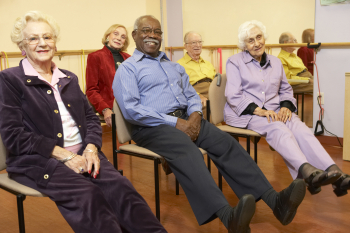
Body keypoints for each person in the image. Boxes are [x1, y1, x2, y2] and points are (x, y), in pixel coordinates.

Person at [113, 15, 307, 233]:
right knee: (189, 152)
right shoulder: (128, 69)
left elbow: (191, 95)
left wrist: (196, 114)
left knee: (226, 143)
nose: (152, 35)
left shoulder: (172, 66)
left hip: (188, 120)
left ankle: (276, 203)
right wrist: (176, 122)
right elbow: (131, 110)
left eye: (157, 32)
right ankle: (227, 217)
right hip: (152, 127)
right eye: (146, 30)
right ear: (135, 35)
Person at [0, 11, 166, 233]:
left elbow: (90, 117)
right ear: (22, 45)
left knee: (121, 187)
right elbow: (13, 135)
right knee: (88, 195)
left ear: (55, 43)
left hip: (83, 153)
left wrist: (90, 147)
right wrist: (65, 155)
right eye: (33, 38)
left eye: (48, 37)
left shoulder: (68, 78)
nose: (42, 43)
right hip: (37, 161)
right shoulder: (10, 79)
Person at [224, 20, 350, 197]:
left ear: (264, 38)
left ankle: (335, 175)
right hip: (247, 113)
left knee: (302, 130)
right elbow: (233, 95)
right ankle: (308, 173)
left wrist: (285, 106)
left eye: (259, 37)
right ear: (244, 45)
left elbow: (285, 90)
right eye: (250, 40)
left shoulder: (276, 63)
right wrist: (259, 110)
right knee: (279, 129)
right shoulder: (234, 62)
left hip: (274, 111)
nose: (256, 43)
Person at [86, 24, 131, 127]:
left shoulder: (129, 58)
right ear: (107, 36)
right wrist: (105, 109)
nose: (119, 38)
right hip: (110, 106)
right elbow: (91, 90)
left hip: (130, 105)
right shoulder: (95, 57)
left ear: (125, 42)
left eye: (123, 37)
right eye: (116, 34)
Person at [177, 31, 216, 118]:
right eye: (193, 42)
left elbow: (216, 82)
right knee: (205, 105)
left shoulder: (208, 64)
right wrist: (198, 95)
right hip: (194, 93)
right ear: (185, 46)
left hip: (213, 91)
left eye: (199, 42)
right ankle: (209, 130)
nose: (198, 45)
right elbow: (180, 87)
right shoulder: (179, 65)